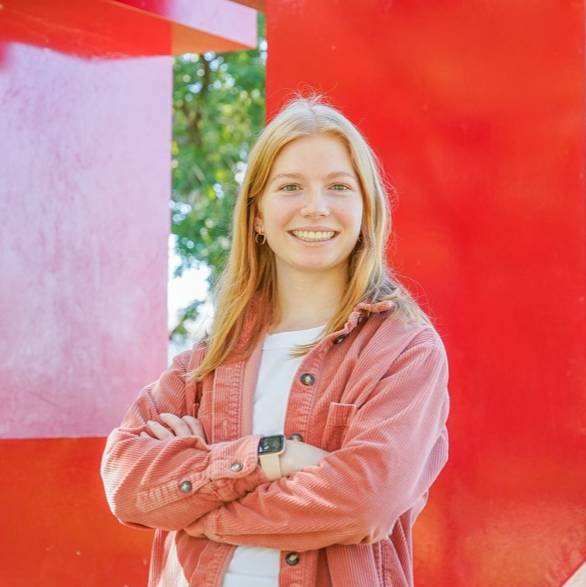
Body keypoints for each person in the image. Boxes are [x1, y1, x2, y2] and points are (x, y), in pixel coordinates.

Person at [100, 93, 450, 587]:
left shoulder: (403, 351)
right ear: (258, 216)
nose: (316, 207)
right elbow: (125, 482)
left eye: (338, 186)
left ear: (365, 210)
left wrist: (194, 507)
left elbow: (362, 504)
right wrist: (270, 456)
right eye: (290, 187)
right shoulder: (211, 353)